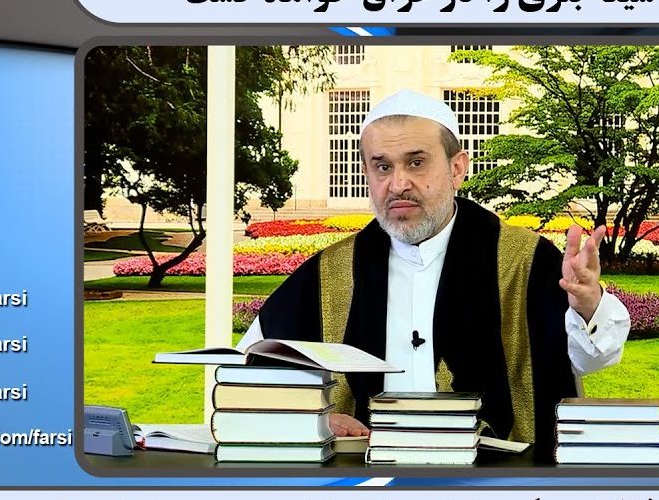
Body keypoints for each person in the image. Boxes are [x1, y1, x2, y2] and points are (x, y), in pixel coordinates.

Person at [238, 89, 630, 449]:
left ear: (457, 168)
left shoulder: (522, 260)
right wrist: (314, 418)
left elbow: (592, 358)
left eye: (416, 163)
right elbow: (246, 378)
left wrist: (588, 306)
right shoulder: (328, 273)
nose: (398, 184)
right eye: (382, 167)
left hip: (493, 480)